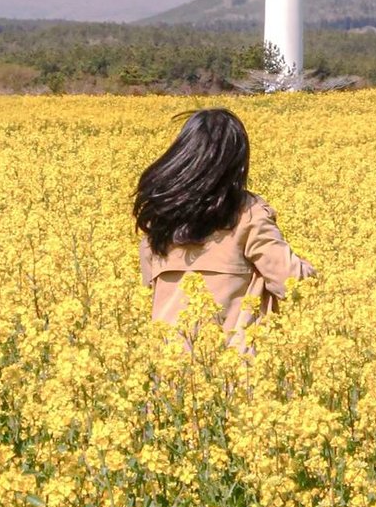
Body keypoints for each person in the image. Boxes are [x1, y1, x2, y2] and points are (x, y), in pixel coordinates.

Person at [134, 107, 316, 338]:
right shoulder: (248, 215)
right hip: (235, 366)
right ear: (235, 163)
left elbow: (150, 289)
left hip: (169, 363)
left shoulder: (159, 218)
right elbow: (292, 283)